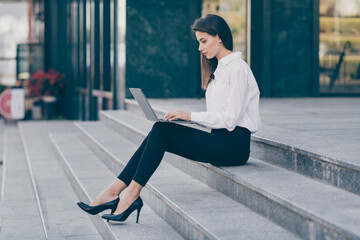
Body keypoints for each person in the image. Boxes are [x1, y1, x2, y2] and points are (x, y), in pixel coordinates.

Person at [77, 14, 261, 223]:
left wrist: (189, 116)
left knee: (162, 131)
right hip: (220, 140)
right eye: (198, 42)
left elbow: (229, 120)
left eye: (203, 41)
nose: (200, 48)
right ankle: (117, 191)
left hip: (234, 147)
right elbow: (218, 116)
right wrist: (183, 118)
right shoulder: (219, 70)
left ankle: (127, 194)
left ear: (219, 37)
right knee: (161, 129)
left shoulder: (237, 69)